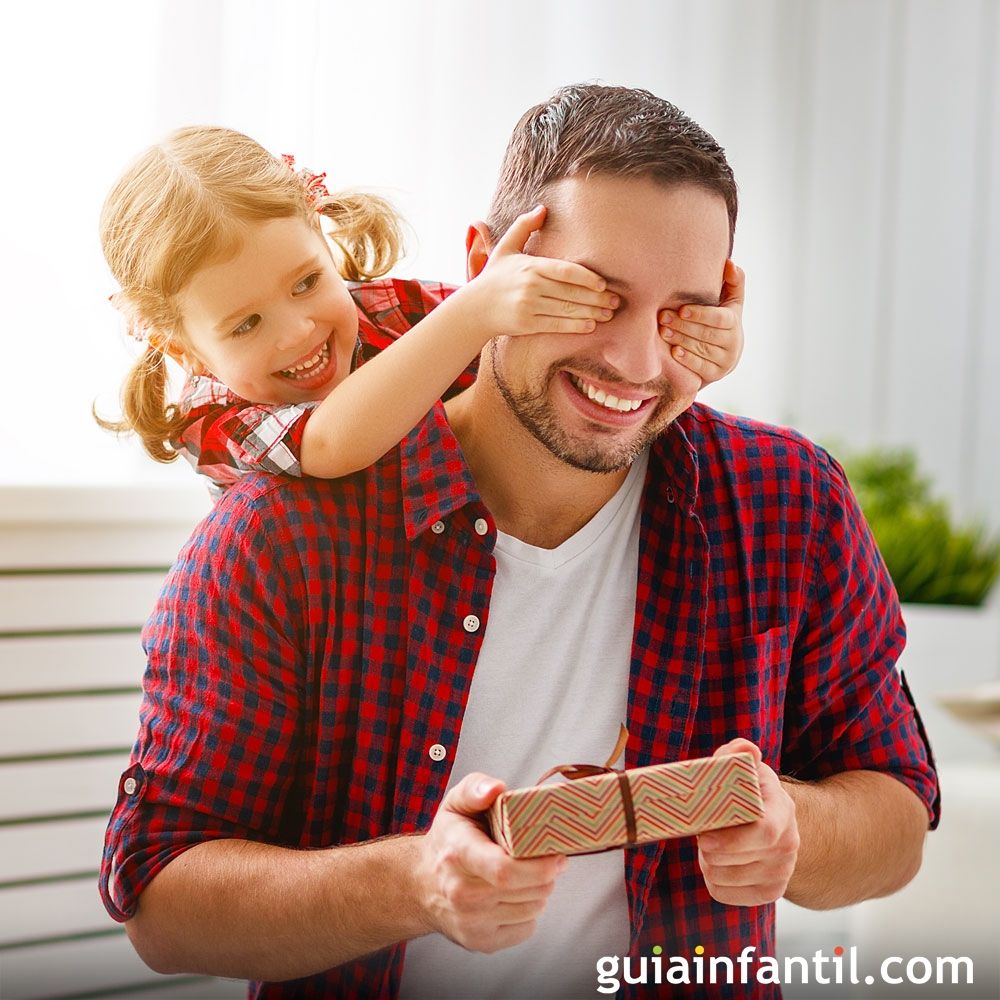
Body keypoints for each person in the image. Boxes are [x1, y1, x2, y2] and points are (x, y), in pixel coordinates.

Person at [99, 85, 939, 1000]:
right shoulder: (275, 539)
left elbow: (897, 815)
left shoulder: (787, 501)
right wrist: (413, 882)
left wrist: (794, 830)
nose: (635, 363)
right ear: (487, 270)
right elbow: (162, 903)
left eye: (680, 314)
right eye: (591, 298)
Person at [98, 127, 743, 498]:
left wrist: (689, 337)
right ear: (184, 349)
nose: (299, 331)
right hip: (338, 609)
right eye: (245, 325)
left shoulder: (389, 310)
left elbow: (530, 335)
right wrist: (475, 311)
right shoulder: (212, 419)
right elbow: (328, 442)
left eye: (304, 283)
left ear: (324, 238)